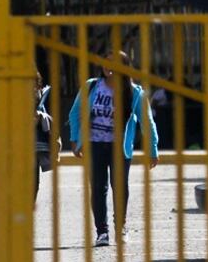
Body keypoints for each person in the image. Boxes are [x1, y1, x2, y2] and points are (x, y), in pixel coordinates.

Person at [68, 50, 160, 247]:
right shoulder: (91, 86)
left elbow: (147, 122)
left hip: (120, 148)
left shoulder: (135, 93)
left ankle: (121, 227)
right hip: (95, 145)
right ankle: (102, 232)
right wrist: (75, 139)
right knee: (98, 189)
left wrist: (153, 149)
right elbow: (75, 113)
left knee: (120, 187)